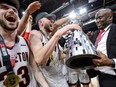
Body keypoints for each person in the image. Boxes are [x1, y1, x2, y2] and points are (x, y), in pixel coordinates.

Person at [0, 0, 48, 87]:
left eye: (15, 10)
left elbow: (35, 70)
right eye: (4, 7)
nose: (11, 11)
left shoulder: (23, 41)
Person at [29, 12, 82, 87]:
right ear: (41, 22)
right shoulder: (35, 34)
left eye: (52, 20)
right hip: (48, 82)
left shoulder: (52, 39)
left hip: (60, 78)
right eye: (49, 19)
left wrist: (73, 51)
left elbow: (60, 56)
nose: (52, 21)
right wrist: (59, 33)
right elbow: (39, 59)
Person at [89, 8, 116, 87]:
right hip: (100, 75)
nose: (97, 21)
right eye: (96, 19)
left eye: (100, 18)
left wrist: (111, 62)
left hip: (112, 76)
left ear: (110, 18)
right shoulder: (95, 34)